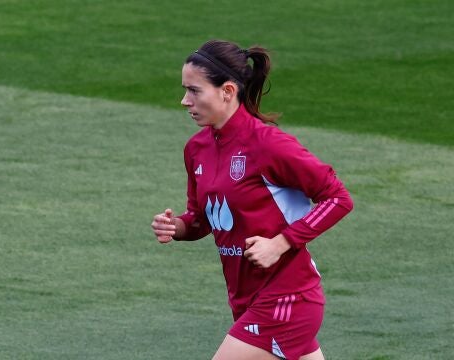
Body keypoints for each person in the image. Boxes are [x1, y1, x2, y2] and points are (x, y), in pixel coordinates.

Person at [150, 40, 353, 360]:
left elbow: (338, 198)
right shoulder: (196, 149)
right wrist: (176, 226)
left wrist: (282, 242)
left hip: (288, 299)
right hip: (246, 300)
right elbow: (202, 218)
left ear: (227, 91)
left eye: (194, 90)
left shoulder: (269, 145)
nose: (184, 100)